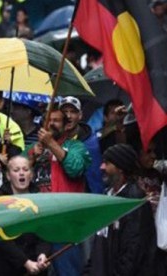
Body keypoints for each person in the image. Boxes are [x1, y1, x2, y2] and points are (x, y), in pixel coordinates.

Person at [25, 108, 91, 276]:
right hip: (37, 224)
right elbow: (15, 174)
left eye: (56, 120)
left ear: (65, 125)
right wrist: (31, 158)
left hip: (64, 226)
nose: (52, 124)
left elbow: (75, 169)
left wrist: (51, 144)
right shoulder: (34, 148)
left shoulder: (76, 146)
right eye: (49, 120)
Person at [83, 144, 157, 276]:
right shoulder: (107, 197)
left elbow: (133, 251)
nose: (102, 167)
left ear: (120, 168)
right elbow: (99, 241)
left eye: (107, 163)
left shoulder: (134, 201)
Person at [0, 156, 50, 276]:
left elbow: (45, 231)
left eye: (25, 169)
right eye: (16, 170)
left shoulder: (41, 199)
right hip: (1, 267)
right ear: (8, 176)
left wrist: (42, 254)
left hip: (34, 265)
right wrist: (25, 262)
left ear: (31, 174)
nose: (21, 173)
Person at [59, 96, 104, 194]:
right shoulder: (54, 141)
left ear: (80, 115)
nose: (68, 116)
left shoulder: (92, 142)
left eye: (73, 112)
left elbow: (95, 174)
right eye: (64, 112)